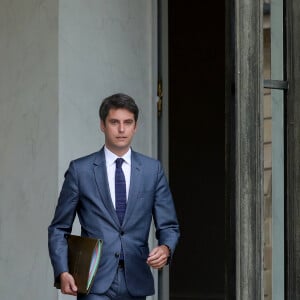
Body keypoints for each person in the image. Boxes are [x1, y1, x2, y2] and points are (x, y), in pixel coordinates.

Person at [48, 93, 180, 300]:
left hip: (136, 279)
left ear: (135, 126)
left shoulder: (152, 170)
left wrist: (166, 248)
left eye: (128, 122)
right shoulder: (80, 170)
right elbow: (58, 228)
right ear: (102, 125)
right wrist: (62, 271)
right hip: (93, 281)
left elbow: (169, 226)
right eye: (114, 122)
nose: (121, 129)